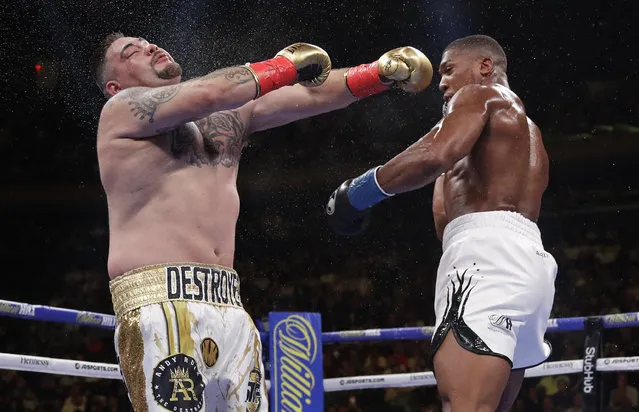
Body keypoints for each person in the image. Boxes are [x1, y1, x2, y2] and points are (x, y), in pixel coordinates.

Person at [92, 31, 433, 411]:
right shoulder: (120, 112)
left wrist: (379, 73)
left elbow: (308, 95)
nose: (149, 46)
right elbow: (212, 91)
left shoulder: (221, 117)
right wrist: (283, 65)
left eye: (148, 41)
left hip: (229, 304)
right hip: (160, 300)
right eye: (131, 51)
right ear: (114, 85)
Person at [326, 34, 557, 412]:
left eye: (449, 71)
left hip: (483, 260)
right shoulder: (526, 131)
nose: (443, 84)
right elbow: (444, 210)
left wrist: (359, 192)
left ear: (484, 66)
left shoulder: (481, 95)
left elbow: (436, 153)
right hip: (527, 263)